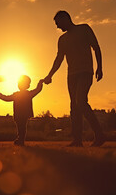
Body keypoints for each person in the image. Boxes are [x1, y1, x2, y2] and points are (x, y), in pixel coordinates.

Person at [43, 10, 105, 147]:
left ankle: (99, 135)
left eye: (58, 23)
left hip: (85, 72)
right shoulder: (62, 39)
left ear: (65, 18)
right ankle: (77, 140)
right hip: (71, 75)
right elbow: (59, 59)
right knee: (74, 107)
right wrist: (50, 75)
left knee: (81, 101)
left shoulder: (84, 29)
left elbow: (96, 47)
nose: (57, 27)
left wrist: (99, 67)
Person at [0, 75, 44, 146]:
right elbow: (38, 89)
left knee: (21, 126)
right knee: (22, 126)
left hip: (19, 114)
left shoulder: (18, 95)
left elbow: (6, 98)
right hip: (23, 113)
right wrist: (40, 83)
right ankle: (20, 139)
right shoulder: (28, 94)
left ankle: (20, 139)